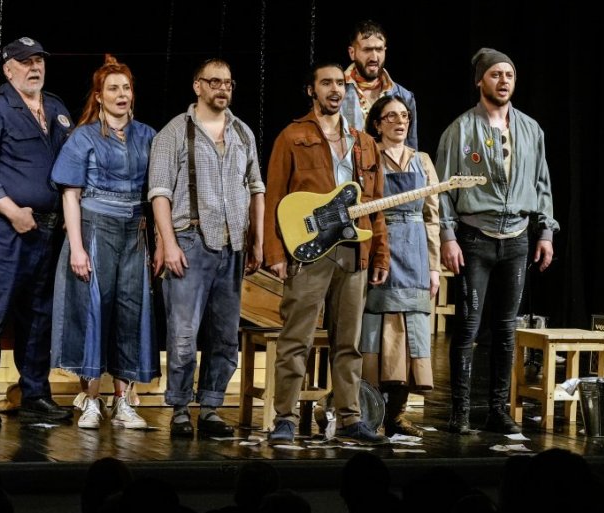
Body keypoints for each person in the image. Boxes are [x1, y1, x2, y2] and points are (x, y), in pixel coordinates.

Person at [264, 62, 389, 446]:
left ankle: (350, 417)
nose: (335, 89)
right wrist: (275, 252)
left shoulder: (363, 142)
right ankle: (284, 419)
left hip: (353, 251)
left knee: (349, 343)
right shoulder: (292, 136)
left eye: (340, 84)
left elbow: (376, 205)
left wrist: (380, 255)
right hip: (310, 252)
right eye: (326, 83)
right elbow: (274, 197)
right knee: (295, 339)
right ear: (311, 90)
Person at [435, 48, 559, 435]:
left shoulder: (531, 130)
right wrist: (448, 236)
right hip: (475, 238)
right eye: (495, 74)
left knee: (506, 330)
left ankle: (497, 409)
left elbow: (542, 184)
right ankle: (459, 411)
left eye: (509, 75)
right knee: (468, 327)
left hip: (517, 238)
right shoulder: (460, 130)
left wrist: (545, 232)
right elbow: (442, 190)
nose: (503, 81)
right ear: (480, 81)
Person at [0, 36, 73, 428]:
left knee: (38, 316)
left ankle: (34, 394)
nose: (34, 67)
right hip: (1, 229)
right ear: (8, 69)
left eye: (39, 60)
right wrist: (11, 211)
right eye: (25, 62)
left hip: (47, 231)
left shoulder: (56, 108)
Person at [148, 58, 265, 437]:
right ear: (197, 86)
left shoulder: (242, 132)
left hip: (233, 245)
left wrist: (257, 240)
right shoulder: (174, 132)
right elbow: (159, 193)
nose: (222, 89)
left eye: (228, 83)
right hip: (190, 241)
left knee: (225, 336)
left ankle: (211, 407)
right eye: (214, 82)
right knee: (183, 336)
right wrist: (168, 243)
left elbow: (256, 189)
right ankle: (181, 408)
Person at [50, 55, 159, 430]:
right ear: (99, 96)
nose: (121, 94)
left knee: (131, 312)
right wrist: (77, 247)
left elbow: (159, 192)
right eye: (113, 88)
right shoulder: (84, 137)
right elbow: (70, 195)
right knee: (92, 311)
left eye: (126, 88)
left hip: (135, 232)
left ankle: (123, 401)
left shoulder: (147, 135)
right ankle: (91, 400)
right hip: (95, 229)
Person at [359, 96, 440, 437]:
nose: (399, 122)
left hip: (416, 253)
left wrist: (434, 267)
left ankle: (397, 414)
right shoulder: (369, 157)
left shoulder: (422, 160)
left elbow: (432, 216)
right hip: (382, 246)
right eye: (391, 116)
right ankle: (371, 414)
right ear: (377, 124)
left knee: (413, 336)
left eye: (404, 116)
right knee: (376, 334)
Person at [341, 20, 418, 149]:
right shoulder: (338, 94)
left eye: (379, 49)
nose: (374, 57)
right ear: (352, 53)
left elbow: (411, 149)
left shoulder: (404, 96)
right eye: (367, 50)